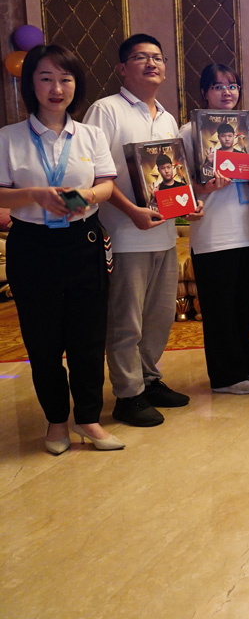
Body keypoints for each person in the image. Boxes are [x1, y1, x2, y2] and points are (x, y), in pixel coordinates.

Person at [0, 44, 123, 452]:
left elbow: (106, 184)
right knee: (43, 341)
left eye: (65, 79)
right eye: (46, 79)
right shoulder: (9, 138)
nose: (57, 88)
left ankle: (88, 418)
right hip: (32, 247)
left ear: (76, 85)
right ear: (30, 84)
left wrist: (88, 195)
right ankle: (56, 421)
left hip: (83, 242)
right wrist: (34, 194)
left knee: (88, 338)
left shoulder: (90, 134)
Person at [83, 33, 196, 427]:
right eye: (141, 57)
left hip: (164, 234)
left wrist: (187, 204)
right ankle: (128, 394)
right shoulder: (106, 110)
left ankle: (149, 379)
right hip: (124, 234)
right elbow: (94, 173)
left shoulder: (166, 117)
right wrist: (131, 211)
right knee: (126, 319)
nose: (152, 63)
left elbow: (170, 176)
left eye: (158, 58)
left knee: (160, 315)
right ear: (122, 68)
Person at [181, 63, 249, 396]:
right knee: (219, 307)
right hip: (213, 232)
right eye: (218, 87)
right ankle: (224, 376)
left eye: (232, 86)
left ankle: (248, 362)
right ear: (204, 92)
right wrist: (203, 188)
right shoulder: (189, 132)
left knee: (244, 302)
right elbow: (180, 182)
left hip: (247, 227)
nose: (226, 93)